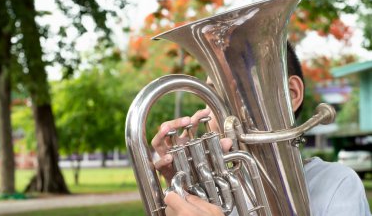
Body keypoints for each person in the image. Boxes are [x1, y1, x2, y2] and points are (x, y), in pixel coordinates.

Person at [151, 42, 371, 216]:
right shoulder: (210, 193)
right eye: (210, 94)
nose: (214, 111)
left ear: (291, 95)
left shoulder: (336, 183)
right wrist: (184, 189)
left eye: (234, 91)